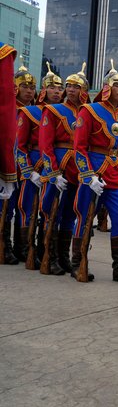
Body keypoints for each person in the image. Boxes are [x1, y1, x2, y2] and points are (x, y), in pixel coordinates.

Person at [72, 60, 118, 284]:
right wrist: (88, 176)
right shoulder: (89, 110)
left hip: (115, 174)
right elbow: (79, 147)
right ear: (108, 87)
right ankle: (77, 262)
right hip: (93, 171)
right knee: (84, 217)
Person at [39, 63, 90, 275]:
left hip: (76, 169)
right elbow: (45, 144)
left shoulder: (87, 113)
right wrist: (52, 172)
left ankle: (63, 257)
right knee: (51, 212)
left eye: (76, 87)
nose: (70, 90)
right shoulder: (53, 110)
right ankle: (47, 257)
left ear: (84, 91)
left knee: (70, 212)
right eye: (68, 86)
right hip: (58, 167)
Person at [16, 62, 64, 269]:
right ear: (44, 90)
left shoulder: (61, 113)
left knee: (48, 209)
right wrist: (28, 172)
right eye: (51, 87)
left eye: (59, 88)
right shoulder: (29, 113)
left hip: (52, 168)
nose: (56, 91)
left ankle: (45, 249)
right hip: (32, 168)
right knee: (27, 208)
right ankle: (25, 250)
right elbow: (20, 146)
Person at [1, 53, 31, 265]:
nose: (28, 91)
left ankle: (21, 246)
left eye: (31, 87)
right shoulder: (10, 109)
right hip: (9, 163)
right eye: (24, 86)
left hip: (26, 167)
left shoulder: (36, 112)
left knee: (23, 208)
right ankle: (5, 246)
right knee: (6, 208)